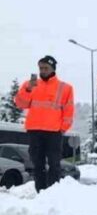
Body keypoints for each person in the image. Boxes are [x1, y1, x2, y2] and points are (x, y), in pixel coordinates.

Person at [15, 55, 75, 192]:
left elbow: (69, 110)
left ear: (53, 68)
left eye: (46, 68)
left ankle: (52, 193)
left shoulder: (65, 88)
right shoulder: (30, 84)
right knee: (38, 165)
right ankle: (40, 192)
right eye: (41, 68)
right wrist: (27, 89)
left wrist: (63, 129)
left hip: (54, 132)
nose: (43, 70)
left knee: (54, 164)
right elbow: (20, 104)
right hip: (34, 131)